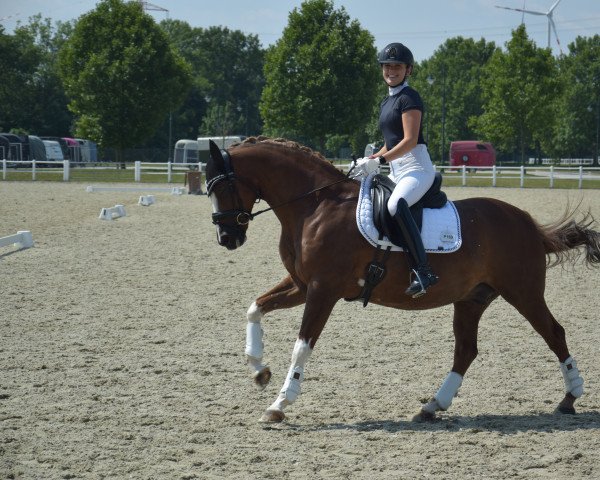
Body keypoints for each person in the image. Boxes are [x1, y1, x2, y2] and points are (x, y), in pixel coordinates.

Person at [355, 42, 438, 297]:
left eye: (397, 66)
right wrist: (370, 157)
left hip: (416, 169)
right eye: (387, 66)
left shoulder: (409, 98)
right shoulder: (386, 102)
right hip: (396, 169)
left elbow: (409, 140)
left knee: (394, 206)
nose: (391, 70)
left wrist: (381, 161)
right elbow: (390, 142)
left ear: (408, 70)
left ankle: (423, 272)